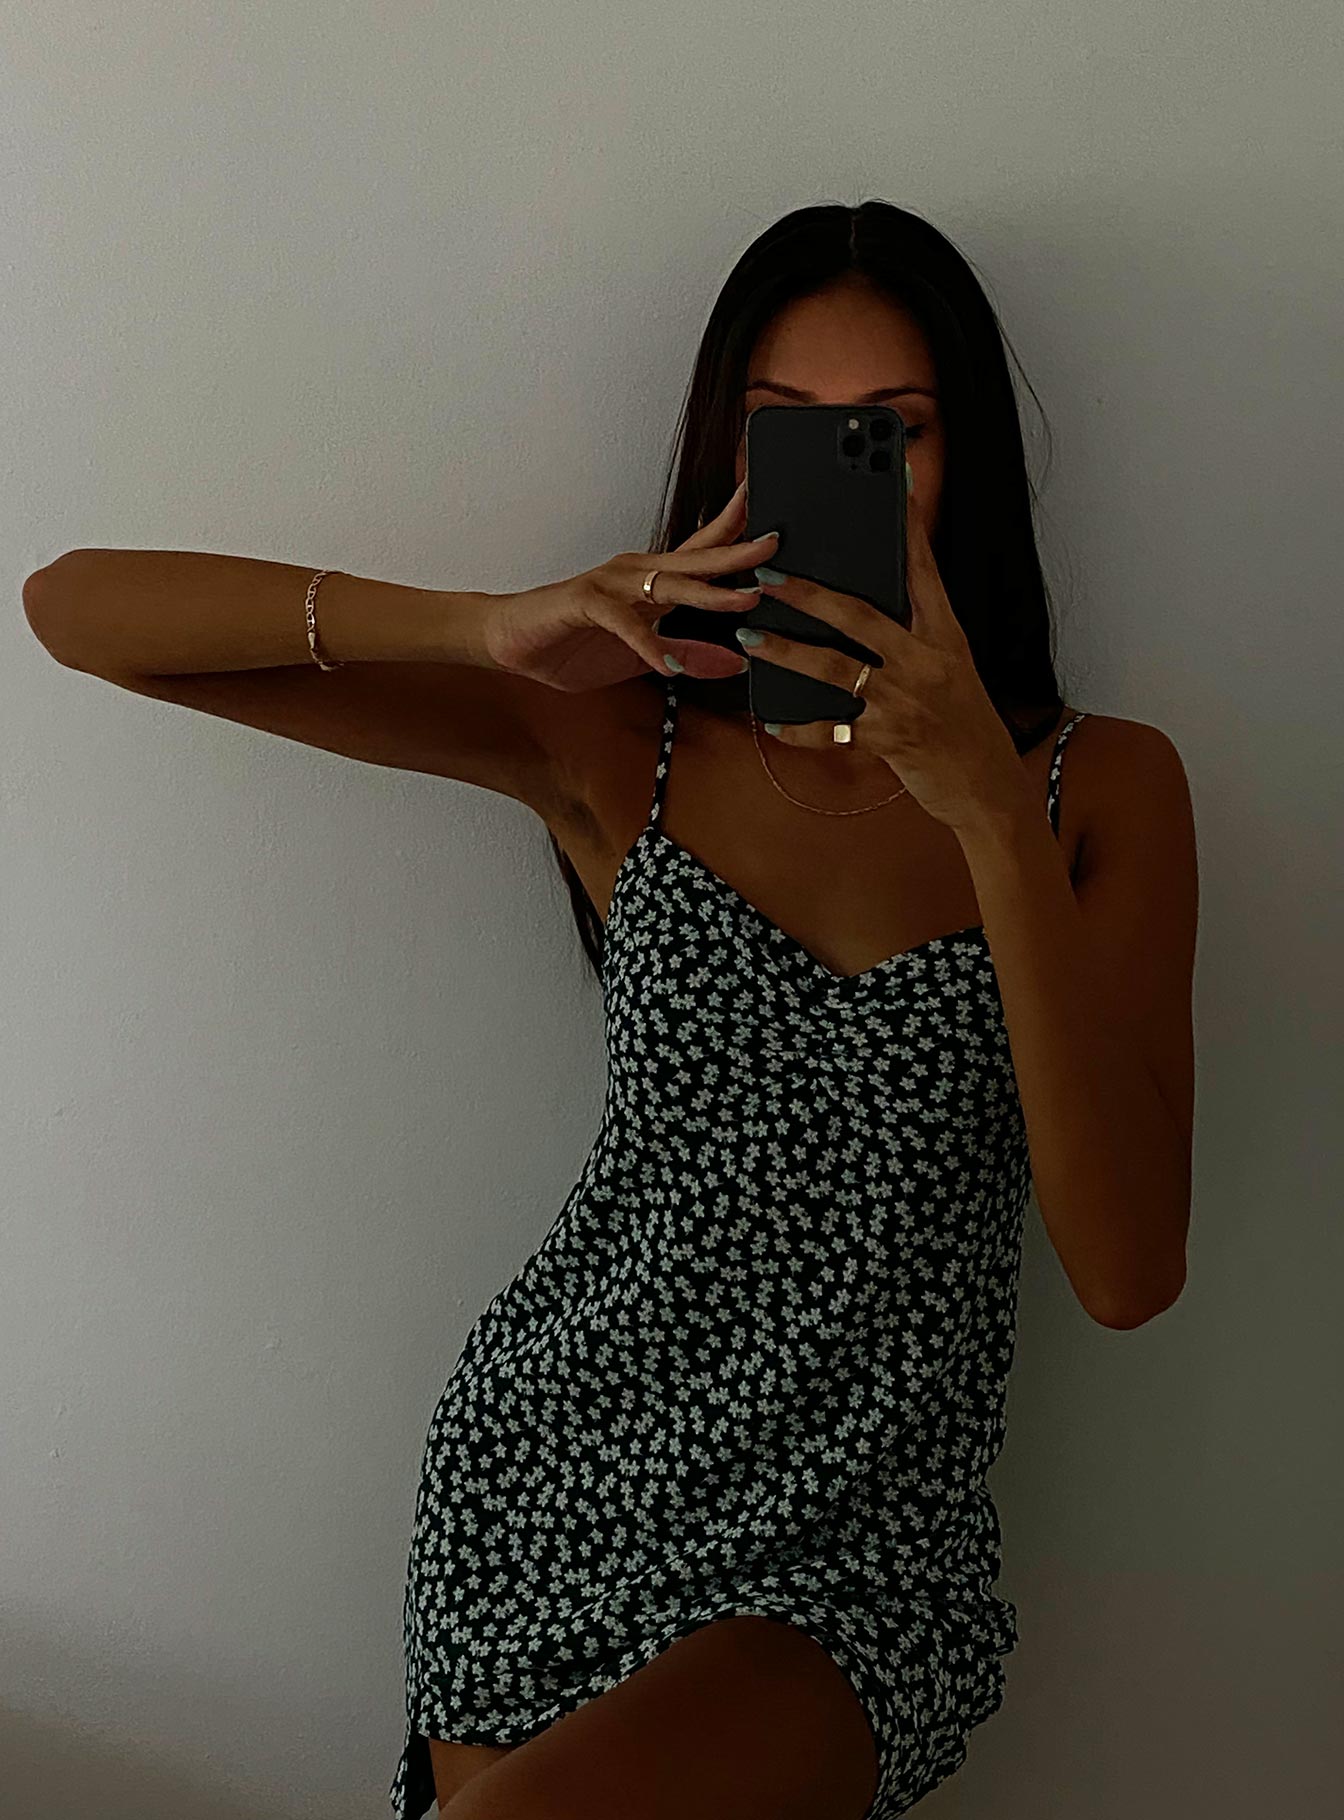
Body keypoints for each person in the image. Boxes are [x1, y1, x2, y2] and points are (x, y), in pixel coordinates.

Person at [22, 199, 1197, 1820]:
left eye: (893, 434)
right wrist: (487, 624)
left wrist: (988, 808)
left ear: (966, 461)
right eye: (787, 430)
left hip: (854, 1564)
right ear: (726, 453)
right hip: (555, 1483)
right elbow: (75, 609)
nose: (842, 477)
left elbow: (1129, 1274)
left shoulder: (1095, 788)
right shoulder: (622, 743)